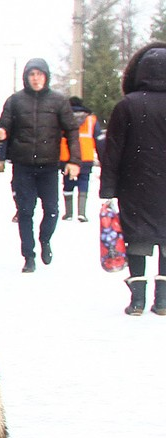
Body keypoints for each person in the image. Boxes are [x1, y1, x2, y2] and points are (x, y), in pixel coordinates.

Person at [0, 58, 81, 273]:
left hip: (49, 166)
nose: (36, 78)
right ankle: (28, 256)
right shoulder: (15, 101)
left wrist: (74, 160)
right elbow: (4, 125)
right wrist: (1, 134)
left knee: (52, 210)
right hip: (23, 166)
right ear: (26, 77)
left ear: (46, 77)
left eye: (39, 74)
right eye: (32, 74)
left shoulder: (58, 101)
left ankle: (45, 239)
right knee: (25, 211)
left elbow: (72, 130)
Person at [99, 42, 166, 316]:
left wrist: (108, 189)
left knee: (137, 238)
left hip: (134, 184)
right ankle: (162, 301)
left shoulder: (127, 105)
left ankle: (137, 301)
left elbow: (113, 150)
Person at [60, 96, 102, 222]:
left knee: (68, 183)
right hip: (86, 156)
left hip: (67, 156)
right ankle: (81, 213)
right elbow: (99, 140)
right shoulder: (91, 120)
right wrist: (101, 158)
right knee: (84, 182)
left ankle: (68, 213)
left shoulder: (63, 117)